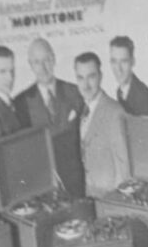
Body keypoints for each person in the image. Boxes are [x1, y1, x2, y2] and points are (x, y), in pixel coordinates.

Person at [15, 36, 86, 197]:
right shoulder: (21, 103)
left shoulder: (74, 92)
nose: (43, 67)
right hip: (43, 185)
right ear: (30, 65)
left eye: (47, 60)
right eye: (37, 62)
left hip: (75, 182)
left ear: (54, 59)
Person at [76, 48, 129, 196]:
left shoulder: (115, 112)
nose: (85, 85)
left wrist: (117, 202)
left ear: (100, 76)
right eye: (80, 78)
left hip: (110, 198)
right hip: (91, 193)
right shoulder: (82, 110)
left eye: (91, 77)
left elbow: (124, 168)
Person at [109, 35, 148, 117]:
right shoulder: (121, 91)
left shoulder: (143, 97)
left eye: (123, 61)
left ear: (133, 62)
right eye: (114, 61)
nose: (118, 68)